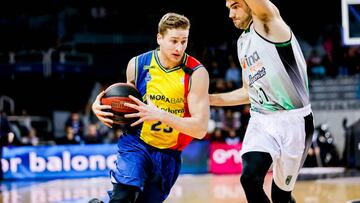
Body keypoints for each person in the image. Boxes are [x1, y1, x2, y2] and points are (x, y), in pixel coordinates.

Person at [92, 12, 209, 203]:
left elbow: (200, 129)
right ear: (159, 38)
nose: (179, 47)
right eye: (173, 41)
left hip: (169, 153)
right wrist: (100, 107)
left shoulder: (196, 73)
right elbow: (124, 102)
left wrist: (161, 114)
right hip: (136, 143)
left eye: (184, 41)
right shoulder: (138, 64)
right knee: (124, 197)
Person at [209, 1, 315, 203]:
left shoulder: (271, 24)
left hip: (295, 121)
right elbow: (248, 92)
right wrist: (207, 99)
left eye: (236, 6)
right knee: (249, 179)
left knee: (281, 197)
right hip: (261, 119)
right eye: (228, 8)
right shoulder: (242, 42)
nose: (231, 14)